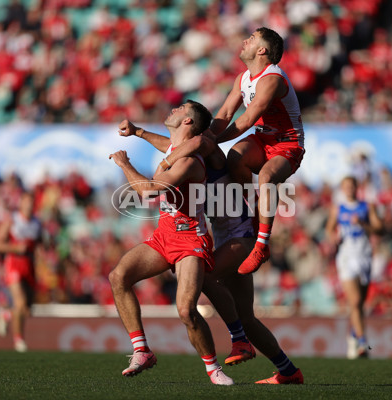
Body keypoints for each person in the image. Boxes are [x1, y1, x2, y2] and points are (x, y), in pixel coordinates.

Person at [119, 119, 303, 384]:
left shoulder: (210, 151)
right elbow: (173, 146)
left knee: (201, 274)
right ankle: (288, 370)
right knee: (247, 317)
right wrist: (139, 132)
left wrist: (165, 162)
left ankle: (239, 339)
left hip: (242, 236)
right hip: (228, 238)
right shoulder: (189, 155)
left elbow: (194, 142)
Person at [108, 100, 234, 385]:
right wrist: (139, 132)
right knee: (119, 276)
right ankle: (142, 350)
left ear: (188, 122)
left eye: (181, 109)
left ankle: (213, 368)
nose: (174, 109)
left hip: (190, 239)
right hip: (165, 235)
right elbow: (166, 143)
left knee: (186, 310)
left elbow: (150, 191)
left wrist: (124, 163)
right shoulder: (176, 149)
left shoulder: (189, 161)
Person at [202, 27, 305, 275]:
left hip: (288, 143)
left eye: (252, 39)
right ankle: (255, 214)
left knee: (267, 177)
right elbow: (225, 114)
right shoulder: (243, 78)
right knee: (235, 156)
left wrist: (212, 142)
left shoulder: (272, 79)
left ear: (262, 50)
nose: (245, 40)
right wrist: (206, 137)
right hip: (263, 139)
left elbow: (247, 119)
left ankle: (261, 245)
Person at [325, 176, 382, 359]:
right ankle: (363, 342)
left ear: (357, 187)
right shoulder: (338, 208)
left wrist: (363, 224)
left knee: (361, 303)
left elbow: (378, 228)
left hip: (364, 256)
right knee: (355, 301)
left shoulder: (367, 206)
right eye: (346, 186)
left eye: (352, 186)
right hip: (346, 257)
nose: (349, 189)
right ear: (342, 189)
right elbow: (328, 229)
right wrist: (333, 237)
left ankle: (352, 335)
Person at [0, 191, 41, 353]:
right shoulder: (12, 221)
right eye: (26, 202)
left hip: (29, 266)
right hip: (14, 264)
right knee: (19, 303)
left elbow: (37, 245)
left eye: (31, 202)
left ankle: (5, 315)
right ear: (21, 203)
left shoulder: (36, 223)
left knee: (26, 308)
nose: (29, 205)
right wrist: (14, 248)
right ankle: (19, 340)